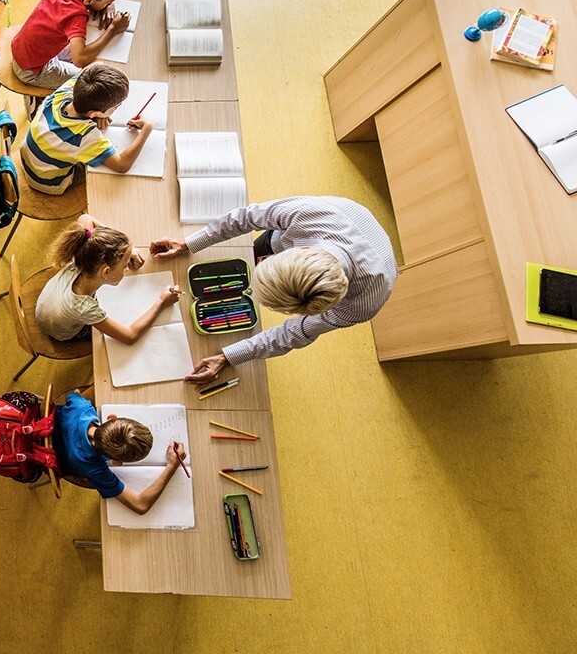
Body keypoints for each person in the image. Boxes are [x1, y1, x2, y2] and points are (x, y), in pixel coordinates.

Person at [150, 196, 398, 384]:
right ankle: (269, 246)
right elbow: (246, 217)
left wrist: (230, 356)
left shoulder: (363, 303)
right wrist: (190, 243)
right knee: (262, 243)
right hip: (340, 216)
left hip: (367, 259)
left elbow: (296, 332)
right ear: (300, 249)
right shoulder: (309, 215)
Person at [36, 214, 180, 343]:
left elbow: (85, 218)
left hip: (44, 307)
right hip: (60, 332)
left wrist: (125, 250)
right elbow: (130, 336)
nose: (127, 268)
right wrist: (161, 302)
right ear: (105, 272)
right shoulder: (85, 308)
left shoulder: (83, 253)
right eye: (124, 266)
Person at [10, 0, 131, 90]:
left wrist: (106, 5)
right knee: (90, 80)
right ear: (89, 1)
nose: (110, 4)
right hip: (32, 70)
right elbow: (79, 59)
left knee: (92, 56)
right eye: (109, 1)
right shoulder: (75, 16)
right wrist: (112, 29)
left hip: (25, 47)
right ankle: (37, 102)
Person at [22, 65, 152, 195]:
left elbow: (94, 65)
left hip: (29, 161)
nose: (116, 109)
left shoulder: (62, 94)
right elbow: (122, 165)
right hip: (48, 182)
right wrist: (147, 129)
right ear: (94, 113)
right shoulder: (85, 136)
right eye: (115, 107)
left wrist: (100, 115)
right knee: (100, 173)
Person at [54, 391, 186, 514]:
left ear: (111, 418)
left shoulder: (83, 409)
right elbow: (141, 505)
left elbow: (73, 394)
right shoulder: (95, 470)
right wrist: (171, 467)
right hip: (55, 462)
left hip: (41, 427)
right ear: (117, 462)